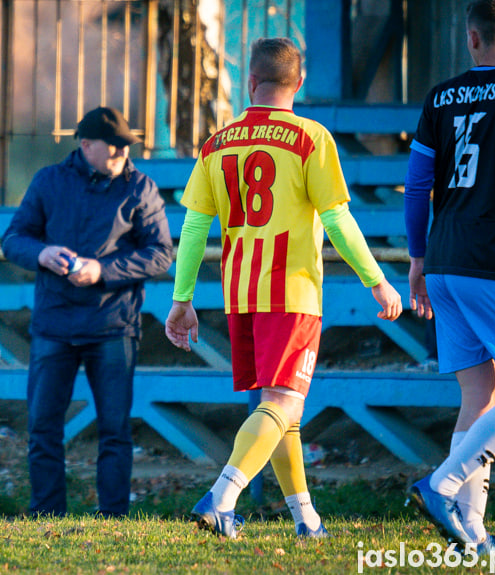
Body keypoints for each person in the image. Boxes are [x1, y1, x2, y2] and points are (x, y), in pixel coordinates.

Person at [165, 37, 403, 539]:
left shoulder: (217, 143)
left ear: (250, 82)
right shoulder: (311, 137)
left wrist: (181, 299)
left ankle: (305, 518)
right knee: (284, 402)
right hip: (292, 294)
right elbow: (338, 219)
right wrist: (377, 280)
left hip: (241, 293)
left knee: (279, 409)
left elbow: (192, 228)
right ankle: (222, 497)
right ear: (299, 84)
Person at [1, 106, 173, 517]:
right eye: (113, 149)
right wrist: (42, 253)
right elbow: (13, 239)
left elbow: (162, 254)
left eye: (125, 149)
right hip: (54, 327)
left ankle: (113, 518)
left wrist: (103, 271)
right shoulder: (49, 181)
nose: (121, 157)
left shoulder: (141, 187)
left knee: (114, 430)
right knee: (43, 428)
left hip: (113, 327)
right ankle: (46, 516)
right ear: (85, 145)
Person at [403, 0, 495, 554]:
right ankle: (441, 484)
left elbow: (416, 186)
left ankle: (470, 531)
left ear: (470, 39)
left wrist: (416, 257)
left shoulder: (440, 96)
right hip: (494, 258)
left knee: (480, 391)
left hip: (445, 259)